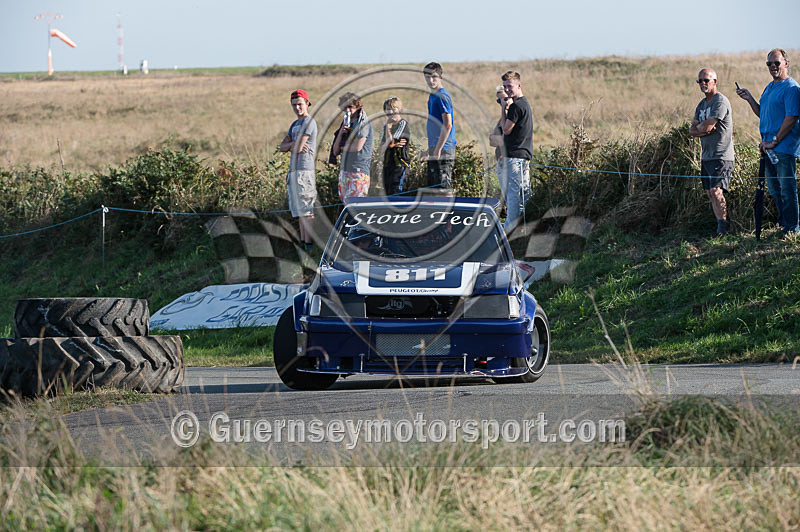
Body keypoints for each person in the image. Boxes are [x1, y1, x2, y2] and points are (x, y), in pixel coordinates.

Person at [736, 48, 800, 237]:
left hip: (783, 147)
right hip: (768, 147)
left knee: (787, 188)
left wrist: (775, 140)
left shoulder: (791, 88)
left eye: (776, 63)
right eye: (769, 64)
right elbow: (763, 113)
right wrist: (749, 99)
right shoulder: (769, 87)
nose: (773, 67)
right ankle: (783, 225)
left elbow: (791, 117)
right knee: (774, 189)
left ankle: (792, 228)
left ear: (786, 64)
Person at [689, 68, 735, 236]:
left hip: (721, 155)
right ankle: (719, 226)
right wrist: (702, 129)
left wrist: (702, 128)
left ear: (715, 81)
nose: (703, 83)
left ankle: (724, 228)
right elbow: (693, 130)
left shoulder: (720, 102)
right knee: (710, 192)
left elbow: (707, 127)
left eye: (706, 80)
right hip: (706, 155)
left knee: (717, 191)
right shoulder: (702, 104)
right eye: (700, 81)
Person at [279, 89, 317, 251]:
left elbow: (299, 147)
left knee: (307, 209)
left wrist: (292, 145)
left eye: (300, 104)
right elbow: (282, 147)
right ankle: (303, 243)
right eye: (294, 105)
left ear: (307, 103)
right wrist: (291, 145)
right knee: (299, 210)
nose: (297, 108)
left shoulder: (309, 122)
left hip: (304, 170)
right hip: (293, 170)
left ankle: (309, 245)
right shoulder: (294, 125)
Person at [498, 71, 533, 232]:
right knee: (524, 193)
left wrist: (504, 108)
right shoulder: (524, 104)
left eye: (510, 86)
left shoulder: (517, 106)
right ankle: (523, 228)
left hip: (514, 157)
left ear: (519, 85)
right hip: (523, 156)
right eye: (505, 86)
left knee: (513, 196)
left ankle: (508, 231)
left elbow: (506, 130)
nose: (507, 90)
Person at [332, 92, 373, 200]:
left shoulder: (363, 122)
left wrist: (342, 148)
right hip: (345, 170)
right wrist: (341, 133)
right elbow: (335, 151)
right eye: (345, 107)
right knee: (346, 205)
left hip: (358, 170)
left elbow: (357, 147)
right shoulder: (345, 123)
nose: (347, 110)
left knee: (356, 206)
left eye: (350, 107)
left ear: (357, 106)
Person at [423, 62, 457, 190]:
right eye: (427, 77)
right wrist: (430, 150)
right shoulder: (433, 95)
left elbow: (448, 125)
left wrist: (438, 149)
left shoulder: (442, 96)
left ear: (440, 78)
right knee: (433, 189)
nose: (431, 81)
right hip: (436, 147)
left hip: (444, 149)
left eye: (434, 77)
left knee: (442, 188)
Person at [378, 97, 411, 195]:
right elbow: (380, 149)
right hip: (387, 165)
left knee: (397, 193)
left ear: (399, 109)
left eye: (394, 109)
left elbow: (390, 142)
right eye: (388, 109)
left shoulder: (403, 124)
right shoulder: (386, 126)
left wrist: (388, 129)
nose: (391, 112)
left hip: (399, 166)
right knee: (387, 193)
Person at [489, 85, 513, 197]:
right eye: (499, 100)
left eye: (505, 99)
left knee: (511, 195)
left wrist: (497, 139)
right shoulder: (502, 117)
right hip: (501, 160)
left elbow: (504, 140)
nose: (502, 103)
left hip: (508, 161)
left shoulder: (513, 115)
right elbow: (492, 141)